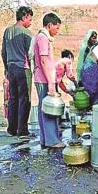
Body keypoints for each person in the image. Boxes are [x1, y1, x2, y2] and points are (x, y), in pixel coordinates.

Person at [33, 13, 65, 148]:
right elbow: (44, 60)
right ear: (49, 25)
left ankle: (45, 139)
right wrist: (51, 84)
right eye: (56, 28)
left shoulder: (43, 37)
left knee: (44, 107)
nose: (57, 31)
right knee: (49, 108)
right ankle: (52, 141)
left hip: (43, 78)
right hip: (44, 79)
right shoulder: (43, 38)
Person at [1, 6, 33, 138]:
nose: (30, 23)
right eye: (30, 19)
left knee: (13, 99)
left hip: (11, 68)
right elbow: (31, 54)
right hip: (23, 69)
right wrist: (33, 70)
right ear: (25, 16)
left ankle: (11, 129)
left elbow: (3, 52)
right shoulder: (26, 33)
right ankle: (22, 130)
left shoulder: (7, 31)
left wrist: (6, 68)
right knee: (25, 100)